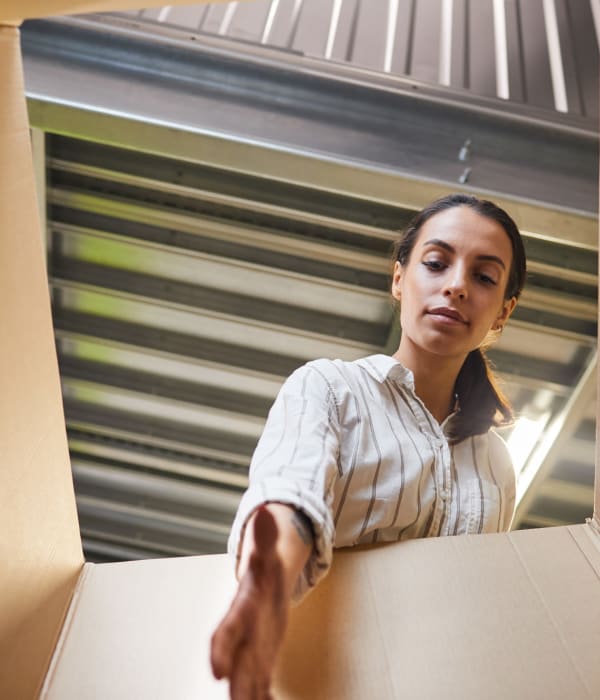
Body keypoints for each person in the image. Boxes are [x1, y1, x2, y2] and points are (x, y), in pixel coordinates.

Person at [210, 193, 527, 699]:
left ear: (503, 312)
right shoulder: (330, 388)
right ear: (399, 278)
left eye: (484, 277)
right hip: (325, 682)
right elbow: (290, 496)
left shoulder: (496, 466)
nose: (456, 286)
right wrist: (265, 584)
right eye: (436, 263)